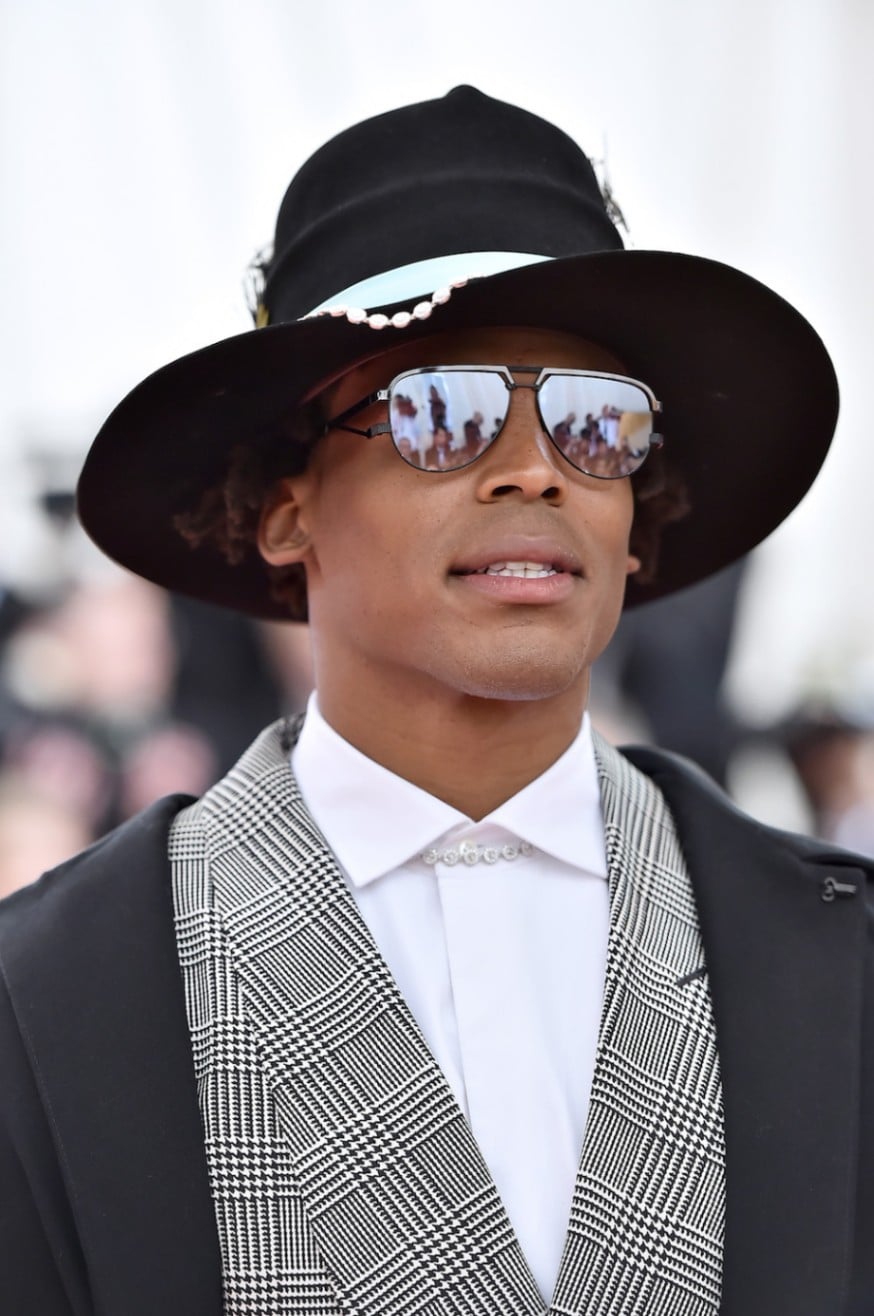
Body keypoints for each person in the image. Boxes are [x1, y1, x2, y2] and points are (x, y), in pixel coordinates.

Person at [0, 86, 871, 1316]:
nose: (534, 466)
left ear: (636, 519)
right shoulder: (53, 996)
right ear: (285, 505)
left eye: (596, 422)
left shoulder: (834, 957)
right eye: (440, 412)